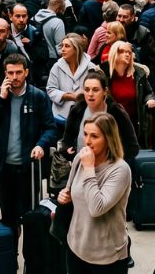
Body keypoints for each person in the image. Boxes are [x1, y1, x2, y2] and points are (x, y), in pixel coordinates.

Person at [0, 52, 59, 237]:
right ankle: (10, 257)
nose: (15, 77)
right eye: (11, 73)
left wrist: (41, 144)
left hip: (28, 168)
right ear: (5, 74)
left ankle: (31, 260)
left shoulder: (37, 96)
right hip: (3, 166)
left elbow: (50, 128)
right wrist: (0, 99)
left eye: (18, 72)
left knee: (30, 215)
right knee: (7, 217)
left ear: (26, 72)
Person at [57, 112, 132, 273]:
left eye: (94, 136)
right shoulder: (79, 159)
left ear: (108, 139)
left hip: (107, 255)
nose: (87, 141)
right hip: (76, 247)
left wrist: (89, 169)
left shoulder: (120, 170)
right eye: (85, 134)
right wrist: (64, 195)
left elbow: (97, 208)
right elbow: (70, 190)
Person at [105, 41, 155, 147]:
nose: (127, 54)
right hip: (111, 125)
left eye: (129, 52)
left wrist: (149, 99)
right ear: (114, 53)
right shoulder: (104, 74)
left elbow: (149, 92)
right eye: (122, 51)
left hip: (133, 125)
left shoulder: (138, 73)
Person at [48, 33, 94, 122]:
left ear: (76, 49)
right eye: (62, 46)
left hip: (85, 116)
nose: (63, 49)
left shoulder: (91, 67)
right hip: (60, 117)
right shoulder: (56, 66)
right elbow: (50, 90)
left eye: (67, 46)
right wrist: (72, 96)